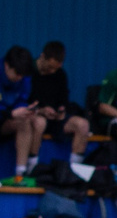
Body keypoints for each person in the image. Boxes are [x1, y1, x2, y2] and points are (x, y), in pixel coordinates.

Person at [0, 46, 39, 183]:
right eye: (17, 73)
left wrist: (26, 110)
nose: (19, 78)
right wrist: (10, 113)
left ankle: (20, 175)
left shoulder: (24, 77)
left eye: (22, 75)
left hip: (8, 122)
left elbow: (22, 99)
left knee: (25, 121)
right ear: (7, 65)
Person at [29, 41, 94, 175]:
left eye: (56, 68)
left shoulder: (60, 74)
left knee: (82, 124)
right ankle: (31, 167)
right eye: (50, 67)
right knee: (40, 122)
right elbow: (23, 101)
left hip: (55, 120)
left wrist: (61, 111)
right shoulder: (28, 71)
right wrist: (40, 110)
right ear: (42, 56)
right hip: (34, 116)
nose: (52, 71)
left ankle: (74, 172)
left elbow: (63, 99)